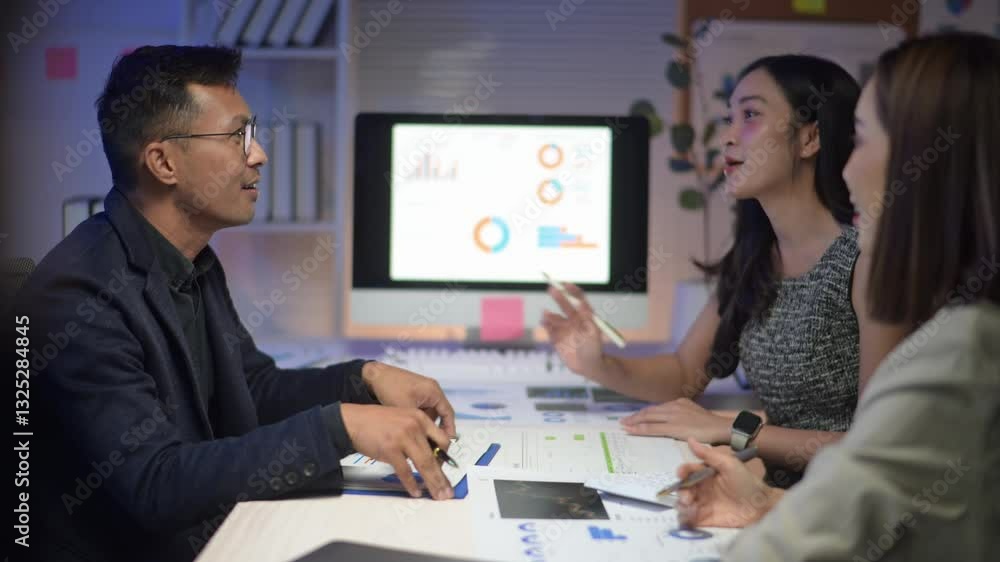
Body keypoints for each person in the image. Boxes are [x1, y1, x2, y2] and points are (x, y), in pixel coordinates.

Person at [20, 46, 458, 562]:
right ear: (163, 162)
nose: (259, 155)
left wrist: (364, 379)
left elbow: (252, 389)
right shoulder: (78, 295)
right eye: (237, 137)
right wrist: (340, 427)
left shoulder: (192, 261)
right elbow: (152, 485)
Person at [674, 31, 1000, 561]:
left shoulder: (962, 353)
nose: (848, 168)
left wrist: (733, 432)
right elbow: (881, 506)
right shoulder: (966, 335)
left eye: (863, 139)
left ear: (932, 162)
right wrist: (766, 502)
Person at [542, 55, 905, 480]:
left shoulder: (865, 261)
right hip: (770, 491)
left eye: (750, 115)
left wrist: (729, 430)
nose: (728, 137)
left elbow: (877, 444)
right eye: (729, 118)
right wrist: (597, 363)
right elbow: (684, 374)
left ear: (809, 138)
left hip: (838, 503)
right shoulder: (754, 256)